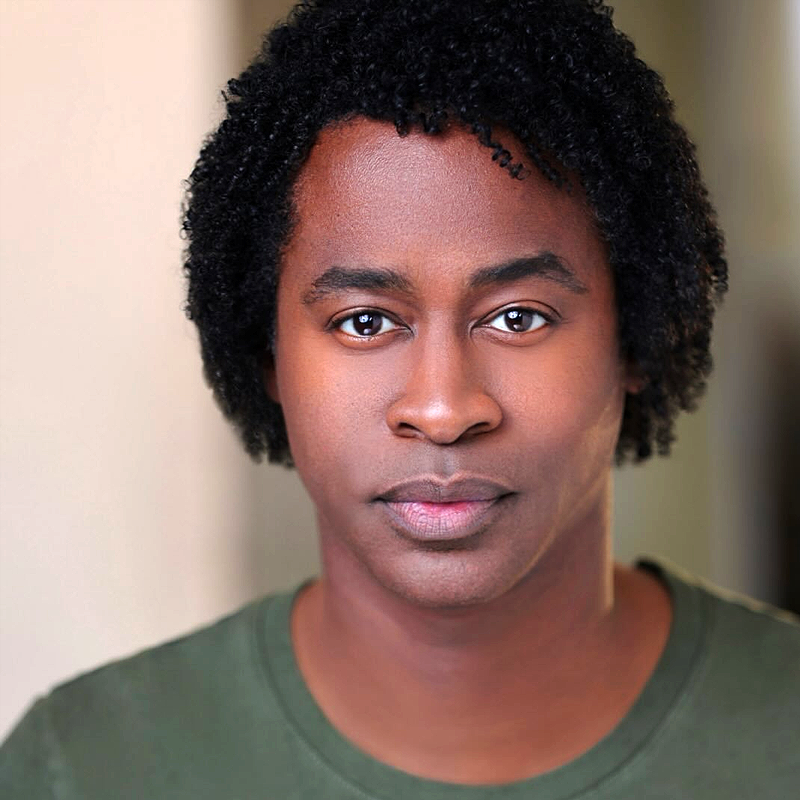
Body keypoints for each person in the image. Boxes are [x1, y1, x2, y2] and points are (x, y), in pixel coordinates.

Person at [2, 0, 798, 797]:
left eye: (518, 317)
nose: (444, 408)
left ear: (634, 336)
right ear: (268, 352)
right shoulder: (85, 766)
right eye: (365, 321)